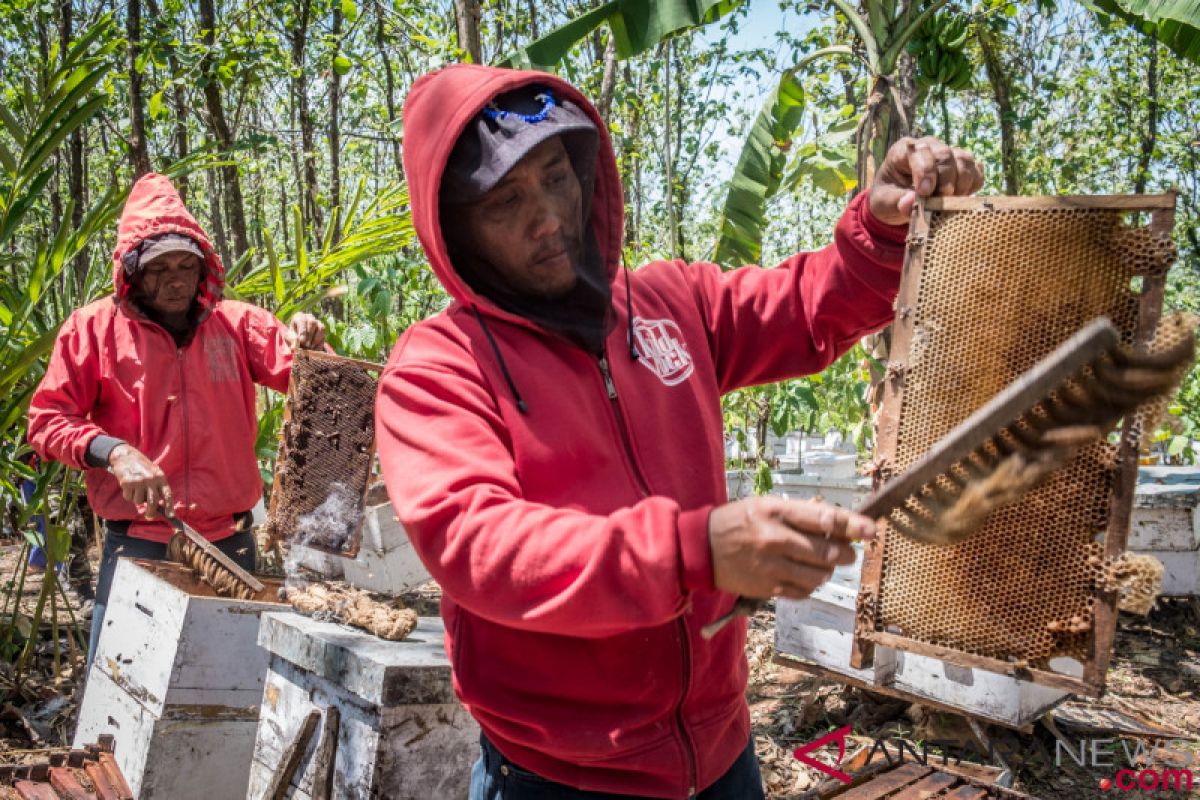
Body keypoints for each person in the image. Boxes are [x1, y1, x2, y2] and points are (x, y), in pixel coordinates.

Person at [375, 65, 984, 799]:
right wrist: (689, 550)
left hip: (724, 755)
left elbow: (806, 305)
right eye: (505, 202)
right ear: (455, 231)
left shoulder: (669, 304)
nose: (546, 218)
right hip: (564, 779)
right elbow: (480, 546)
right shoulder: (438, 369)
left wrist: (882, 229)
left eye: (556, 178)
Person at [27, 173, 325, 662]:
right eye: (159, 267)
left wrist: (309, 340)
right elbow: (46, 420)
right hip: (139, 547)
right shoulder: (92, 331)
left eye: (187, 265)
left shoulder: (238, 324)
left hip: (230, 545)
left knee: (229, 702)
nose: (176, 280)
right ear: (132, 271)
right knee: (122, 703)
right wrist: (114, 452)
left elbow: (318, 383)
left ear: (204, 268)